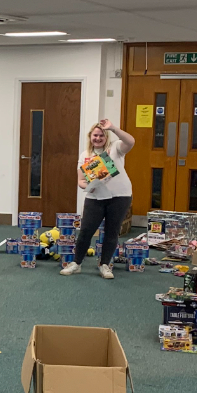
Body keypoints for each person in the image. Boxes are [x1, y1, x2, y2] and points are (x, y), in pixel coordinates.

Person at [61, 118, 134, 279]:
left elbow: (131, 141)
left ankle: (105, 265)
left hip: (120, 196)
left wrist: (113, 128)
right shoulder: (85, 155)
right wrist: (86, 186)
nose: (98, 138)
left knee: (111, 232)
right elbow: (80, 180)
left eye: (102, 135)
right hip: (95, 197)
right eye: (95, 135)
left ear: (106, 137)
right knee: (86, 230)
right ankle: (76, 263)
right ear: (90, 136)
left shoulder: (115, 148)